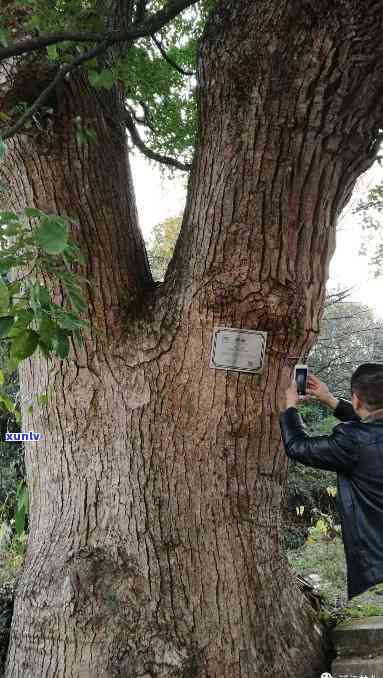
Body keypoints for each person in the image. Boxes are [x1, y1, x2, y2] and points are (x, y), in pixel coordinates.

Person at [279, 363, 383, 600]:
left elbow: (298, 447)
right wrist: (330, 400)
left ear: (356, 399)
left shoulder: (351, 442)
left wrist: (290, 408)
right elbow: (372, 425)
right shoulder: (358, 438)